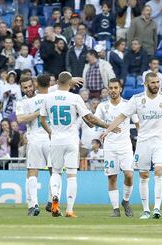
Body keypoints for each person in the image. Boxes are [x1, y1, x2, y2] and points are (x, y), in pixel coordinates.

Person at [102, 72, 162, 219]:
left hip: (159, 141)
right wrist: (107, 130)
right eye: (152, 83)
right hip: (143, 142)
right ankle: (146, 210)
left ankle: (157, 208)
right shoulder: (137, 99)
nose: (156, 85)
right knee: (144, 175)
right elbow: (122, 116)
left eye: (157, 82)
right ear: (145, 84)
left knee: (159, 171)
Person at [39, 71, 114, 218]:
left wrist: (50, 132)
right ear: (70, 83)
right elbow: (90, 118)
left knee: (55, 172)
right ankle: (69, 209)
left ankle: (55, 197)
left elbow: (42, 120)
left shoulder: (48, 97)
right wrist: (107, 126)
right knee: (72, 176)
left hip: (56, 140)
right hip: (71, 141)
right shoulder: (75, 98)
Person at [94, 78, 139, 217]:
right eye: (111, 88)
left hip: (125, 146)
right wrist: (107, 127)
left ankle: (125, 201)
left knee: (129, 175)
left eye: (115, 88)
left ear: (120, 89)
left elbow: (137, 123)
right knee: (112, 178)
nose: (113, 90)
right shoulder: (102, 106)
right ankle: (115, 209)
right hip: (109, 146)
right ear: (108, 89)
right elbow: (96, 120)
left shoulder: (128, 105)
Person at [16, 76, 51, 216]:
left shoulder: (43, 98)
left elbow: (21, 118)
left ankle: (48, 203)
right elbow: (20, 119)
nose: (28, 89)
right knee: (49, 171)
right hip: (37, 139)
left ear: (34, 85)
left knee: (36, 171)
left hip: (47, 138)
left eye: (30, 86)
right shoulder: (24, 102)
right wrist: (39, 112)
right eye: (25, 87)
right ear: (21, 88)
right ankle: (35, 205)